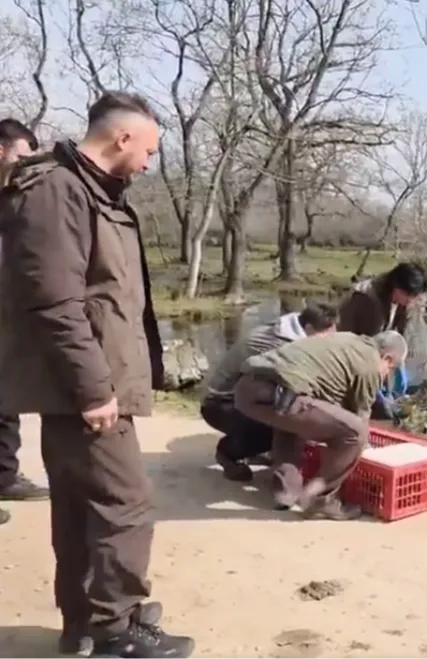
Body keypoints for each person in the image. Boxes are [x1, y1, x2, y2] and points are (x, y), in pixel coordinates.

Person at [0, 92, 193, 658]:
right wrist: (94, 389)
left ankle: (87, 621)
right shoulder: (57, 190)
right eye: (150, 151)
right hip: (84, 389)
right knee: (125, 504)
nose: (151, 163)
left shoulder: (89, 190)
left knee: (83, 506)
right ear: (122, 138)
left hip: (88, 385)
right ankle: (117, 631)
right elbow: (56, 303)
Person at [234, 330, 408, 519]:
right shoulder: (371, 364)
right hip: (282, 392)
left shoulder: (347, 339)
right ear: (388, 358)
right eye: (391, 369)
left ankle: (286, 492)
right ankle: (319, 499)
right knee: (357, 433)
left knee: (293, 424)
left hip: (247, 388)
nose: (387, 373)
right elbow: (360, 416)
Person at [201, 302, 338, 481]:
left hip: (239, 397)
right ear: (310, 328)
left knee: (288, 414)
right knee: (284, 424)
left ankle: (254, 448)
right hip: (220, 403)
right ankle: (227, 452)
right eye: (326, 335)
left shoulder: (288, 326)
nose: (329, 341)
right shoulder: (283, 345)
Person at [0, 118, 48, 524]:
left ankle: (4, 476)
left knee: (6, 396)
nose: (25, 165)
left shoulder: (15, 198)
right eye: (21, 156)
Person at [337, 262, 427, 421]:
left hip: (376, 347)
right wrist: (373, 379)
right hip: (350, 347)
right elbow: (359, 342)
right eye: (409, 296)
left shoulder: (407, 302)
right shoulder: (366, 297)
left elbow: (400, 337)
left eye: (415, 297)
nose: (412, 301)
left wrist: (399, 364)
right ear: (396, 287)